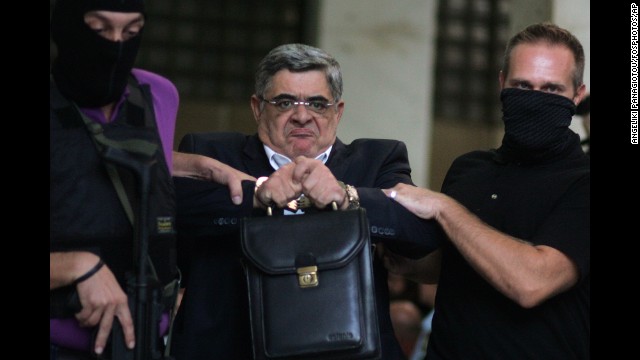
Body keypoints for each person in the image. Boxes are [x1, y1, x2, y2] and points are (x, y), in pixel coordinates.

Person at [170, 43, 442, 359]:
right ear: (258, 108)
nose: (302, 116)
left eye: (317, 104)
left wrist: (346, 196)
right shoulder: (211, 153)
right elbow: (171, 213)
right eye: (285, 102)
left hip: (348, 349)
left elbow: (420, 234)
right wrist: (256, 194)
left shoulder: (377, 160)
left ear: (337, 112)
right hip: (231, 346)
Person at [49, 0, 252, 358]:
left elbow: (100, 156)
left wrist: (202, 167)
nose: (115, 44)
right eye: (98, 29)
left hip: (146, 344)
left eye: (131, 31)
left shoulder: (156, 94)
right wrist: (75, 266)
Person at [381, 23, 589, 359]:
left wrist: (444, 208)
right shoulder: (470, 168)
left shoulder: (582, 182)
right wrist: (392, 247)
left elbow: (530, 283)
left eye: (551, 90)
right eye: (523, 85)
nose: (535, 99)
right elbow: (449, 262)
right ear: (502, 83)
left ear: (577, 96)